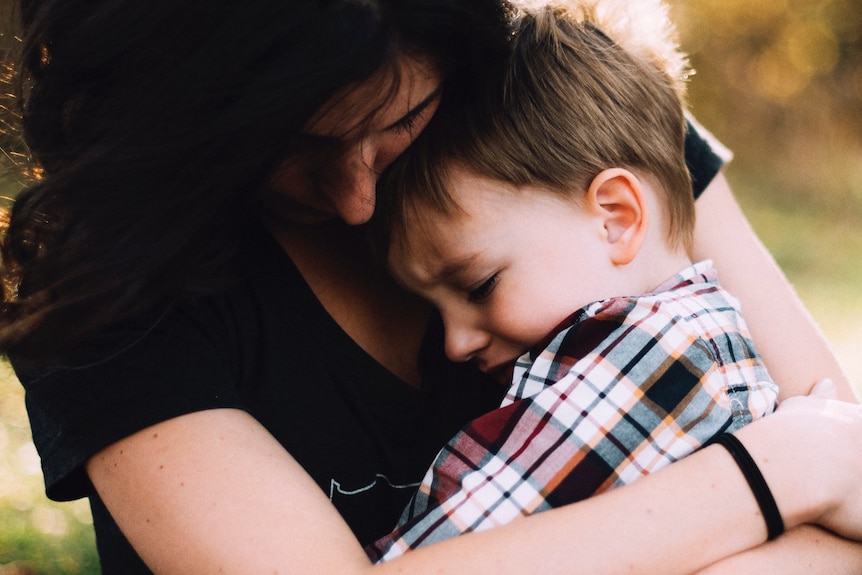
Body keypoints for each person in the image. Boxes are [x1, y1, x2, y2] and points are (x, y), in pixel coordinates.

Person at [0, 0, 860, 573]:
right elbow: (827, 461)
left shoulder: (572, 118)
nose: (356, 200)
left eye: (399, 122)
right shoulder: (110, 277)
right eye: (286, 149)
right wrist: (771, 475)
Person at [367, 0, 781, 560]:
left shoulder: (658, 356)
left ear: (616, 218)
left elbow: (458, 545)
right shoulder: (693, 339)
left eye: (480, 285)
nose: (453, 342)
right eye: (434, 309)